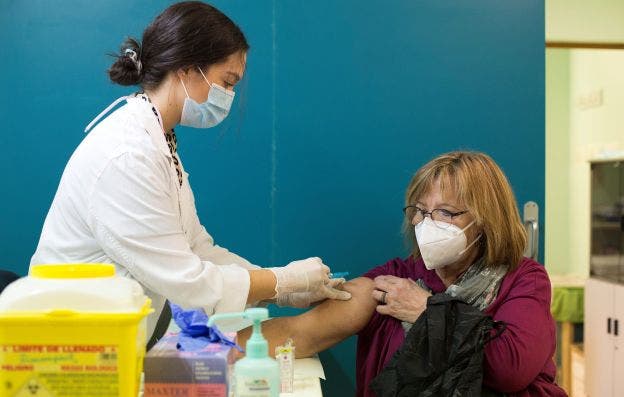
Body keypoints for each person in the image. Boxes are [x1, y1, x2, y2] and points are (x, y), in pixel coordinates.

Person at [30, 1, 350, 346]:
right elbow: (188, 279)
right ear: (186, 69)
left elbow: (196, 248)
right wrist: (282, 281)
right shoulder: (127, 156)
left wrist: (279, 288)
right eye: (226, 82)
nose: (228, 96)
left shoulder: (158, 141)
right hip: (67, 352)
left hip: (110, 340)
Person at [235, 151, 566, 396]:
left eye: (446, 213)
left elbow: (510, 370)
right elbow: (303, 332)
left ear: (487, 219)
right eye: (420, 211)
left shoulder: (523, 280)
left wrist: (428, 312)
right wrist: (207, 349)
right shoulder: (394, 281)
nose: (427, 224)